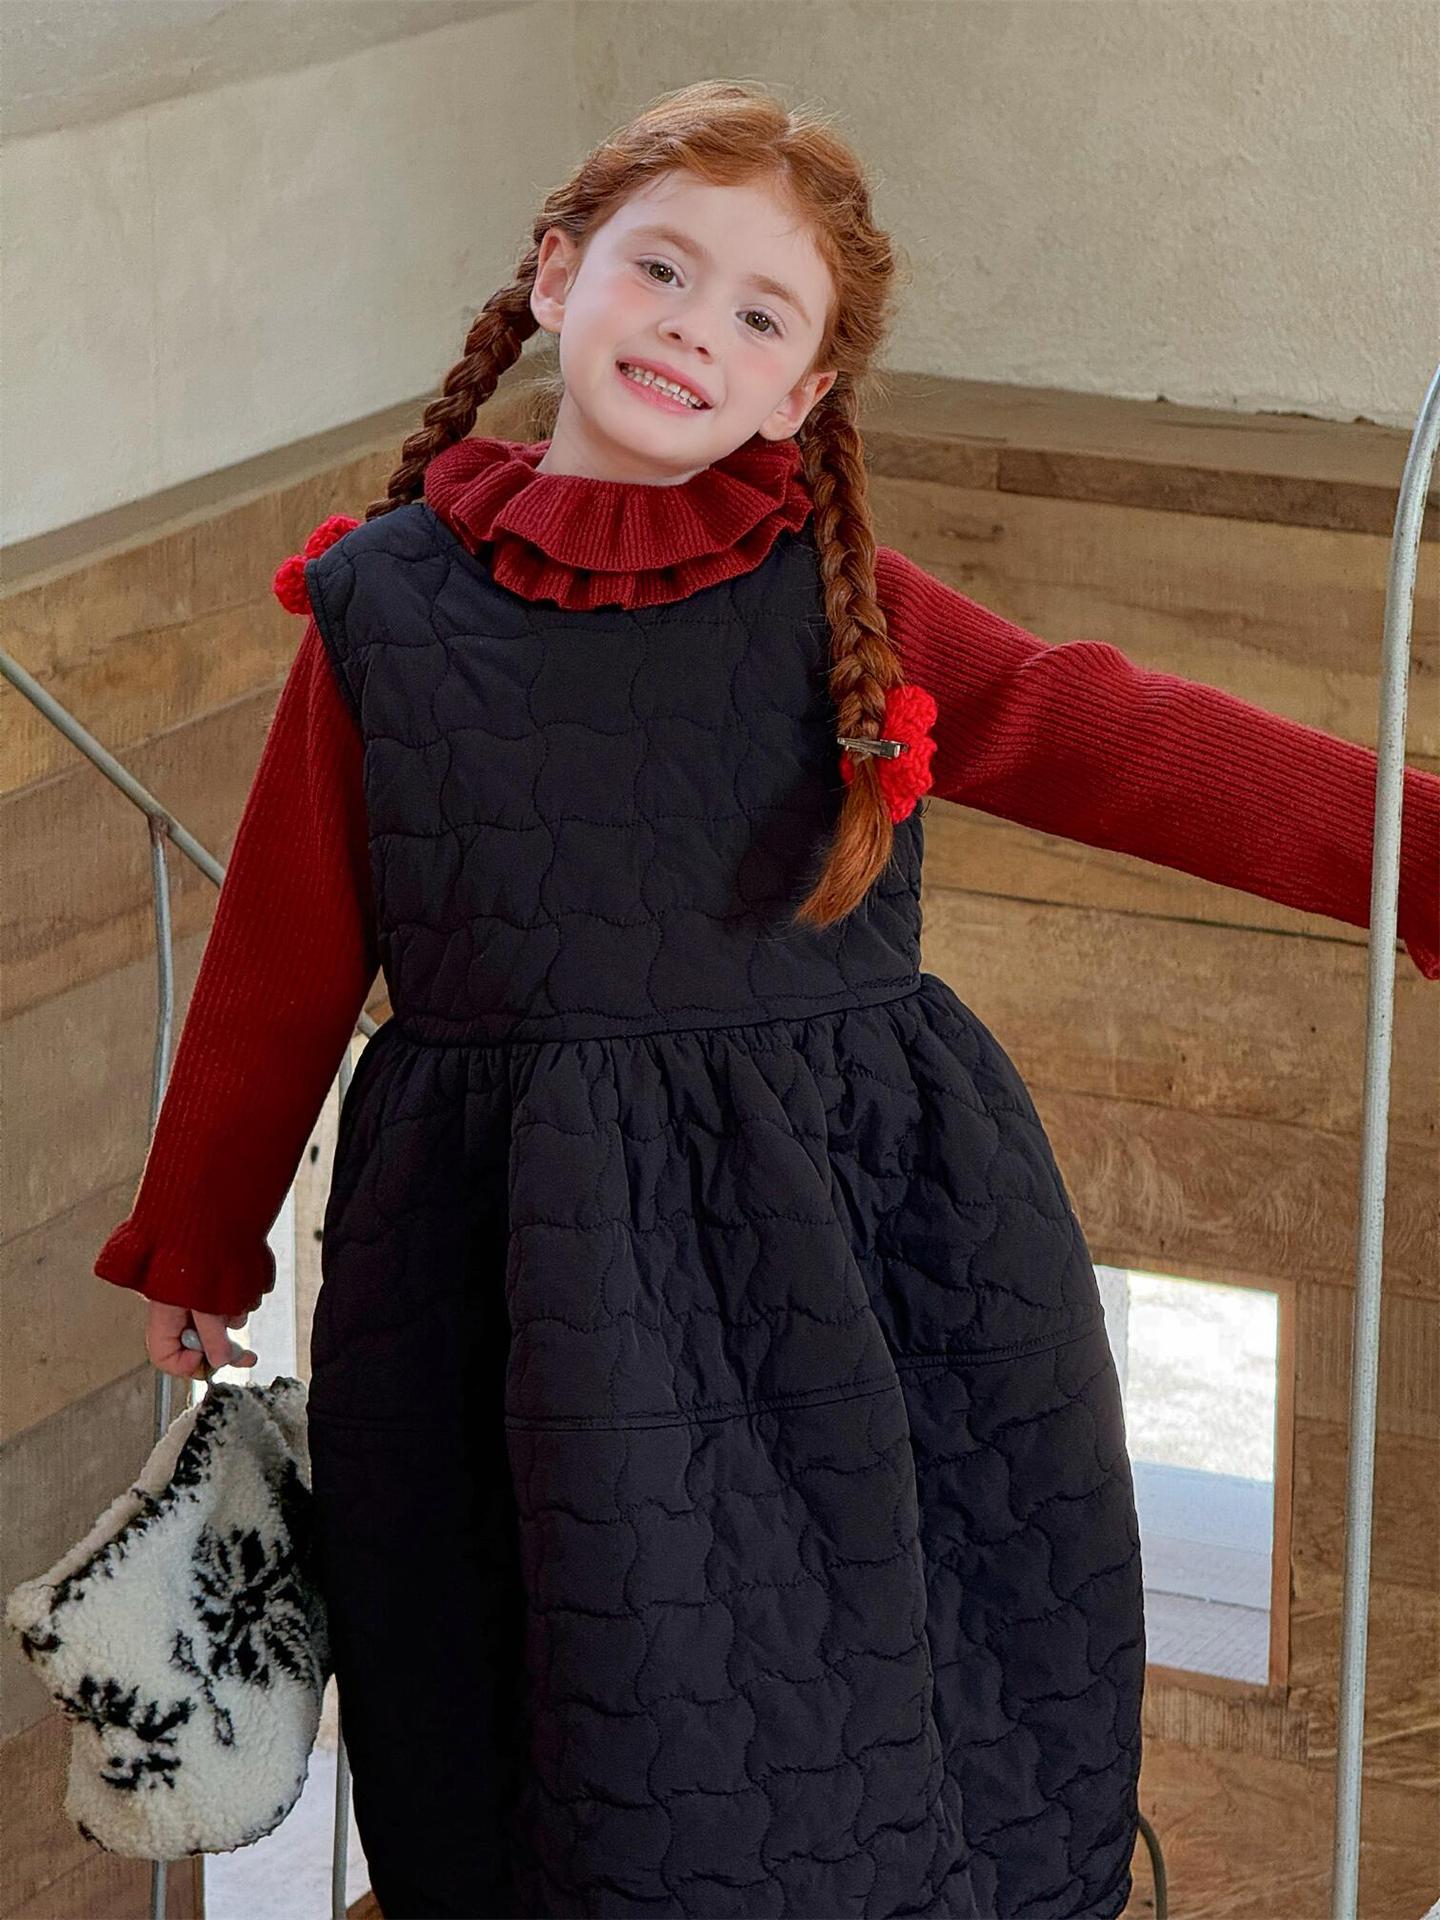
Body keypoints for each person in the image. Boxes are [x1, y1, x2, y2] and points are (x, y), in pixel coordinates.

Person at [94, 80, 1438, 1920]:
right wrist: (201, 1233)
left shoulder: (840, 606)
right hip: (513, 1265)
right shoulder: (380, 611)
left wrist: (1417, 851)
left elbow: (1113, 736)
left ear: (803, 393)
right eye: (660, 268)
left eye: (757, 312)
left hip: (862, 1246)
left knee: (876, 1695)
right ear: (556, 275)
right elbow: (284, 945)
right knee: (553, 1713)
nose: (691, 328)